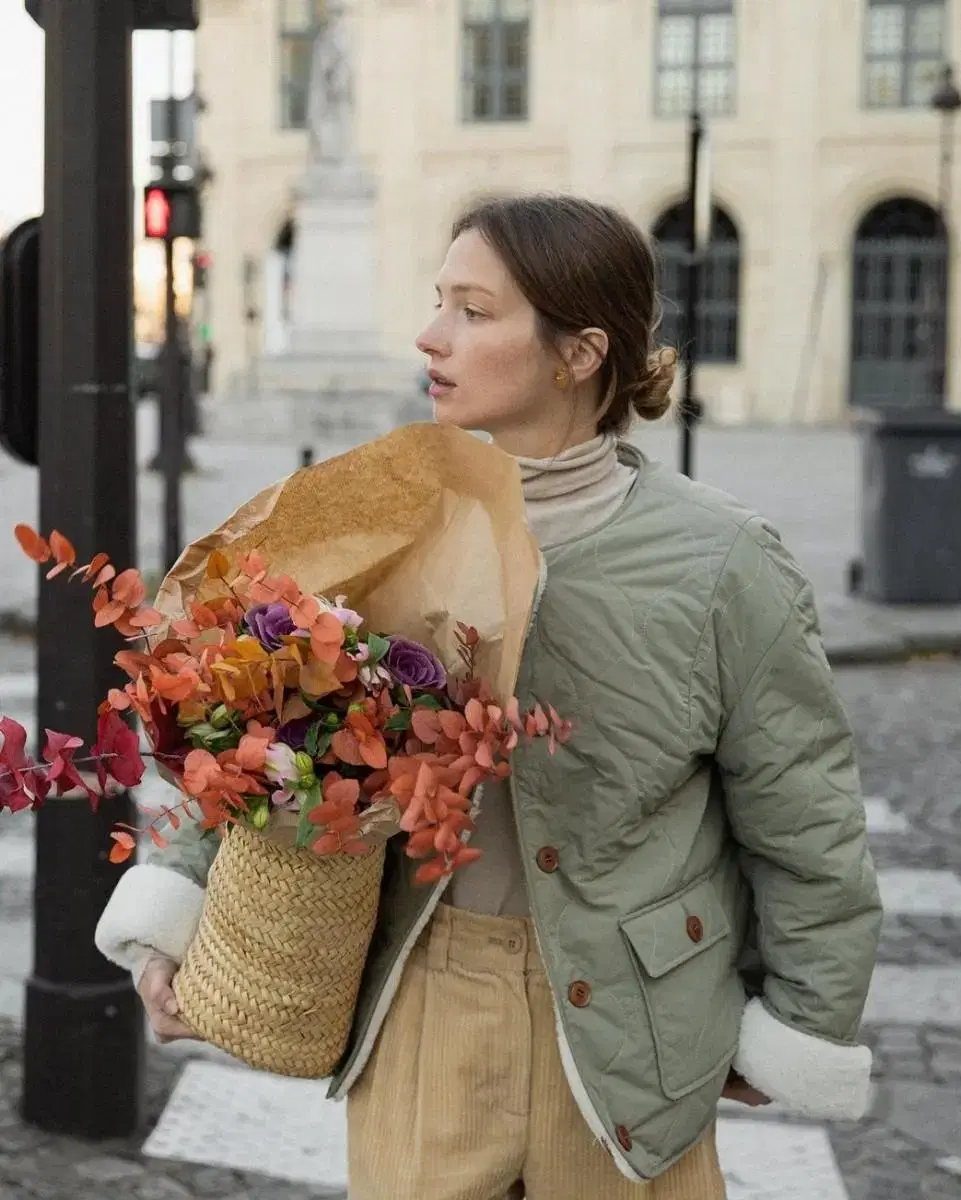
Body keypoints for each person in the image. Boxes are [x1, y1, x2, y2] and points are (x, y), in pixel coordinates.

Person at [96, 194, 883, 1200]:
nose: (431, 336)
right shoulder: (389, 520)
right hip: (422, 997)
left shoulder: (722, 562)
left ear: (579, 351)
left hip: (635, 1021)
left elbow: (805, 816)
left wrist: (802, 1025)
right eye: (439, 303)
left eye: (473, 310)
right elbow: (258, 729)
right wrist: (177, 913)